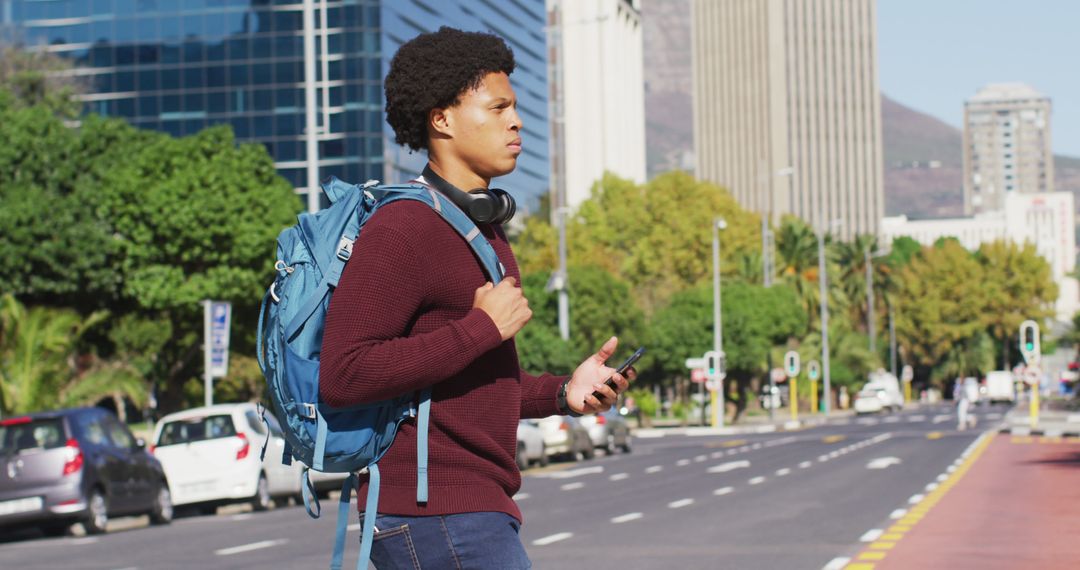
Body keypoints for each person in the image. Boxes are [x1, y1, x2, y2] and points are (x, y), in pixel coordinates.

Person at [319, 27, 635, 569]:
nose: (516, 122)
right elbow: (344, 373)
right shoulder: (404, 227)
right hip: (435, 513)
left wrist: (564, 393)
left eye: (515, 108)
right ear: (442, 119)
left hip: (471, 510)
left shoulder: (481, 230)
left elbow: (471, 390)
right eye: (498, 108)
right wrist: (480, 329)